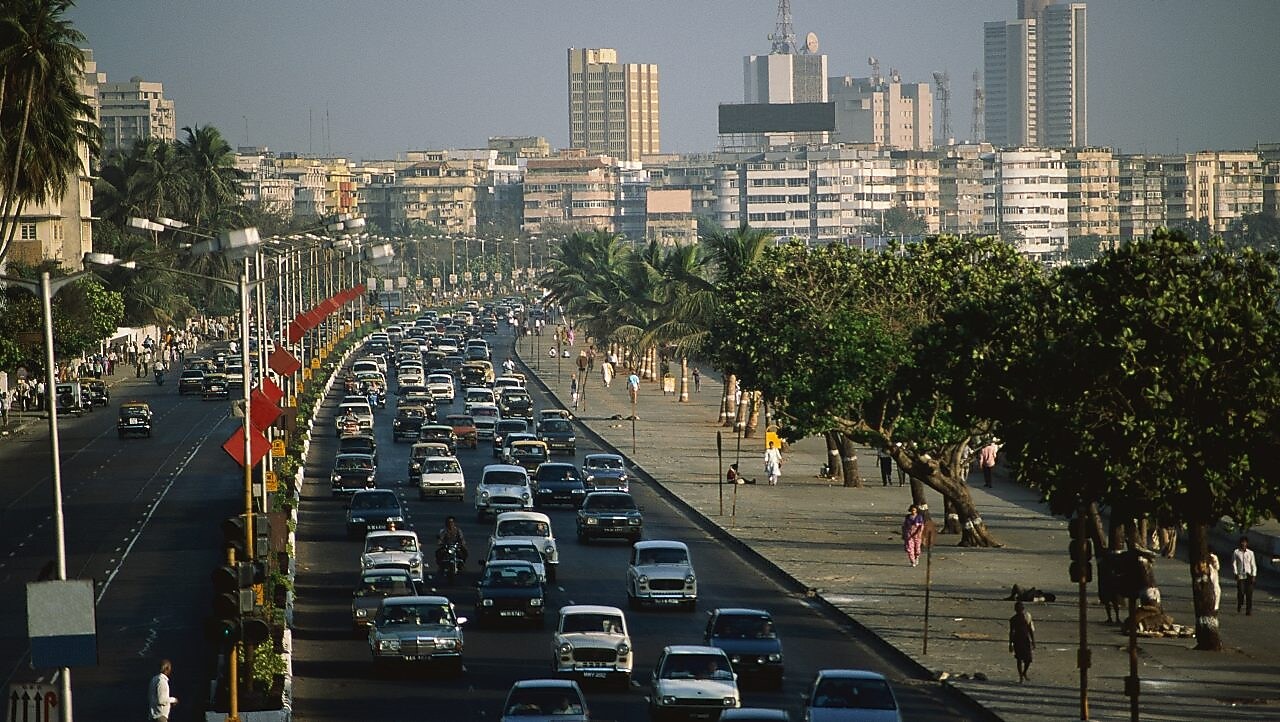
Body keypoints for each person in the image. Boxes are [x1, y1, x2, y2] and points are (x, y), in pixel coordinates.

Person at [1009, 601, 1036, 682]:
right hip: (1017, 640)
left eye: (1020, 608)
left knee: (1028, 659)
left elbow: (1030, 629)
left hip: (1026, 640)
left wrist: (1033, 641)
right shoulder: (1013, 619)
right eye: (1018, 608)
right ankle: (1021, 676)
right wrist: (1010, 644)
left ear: (1023, 609)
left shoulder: (1027, 617)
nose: (1019, 610)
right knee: (1019, 659)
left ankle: (1024, 673)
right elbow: (1011, 632)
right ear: (1015, 609)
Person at [1232, 536, 1257, 615]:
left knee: (1249, 594)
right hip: (1240, 575)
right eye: (1242, 542)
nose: (1243, 544)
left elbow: (1253, 564)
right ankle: (1240, 603)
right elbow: (1234, 563)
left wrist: (1254, 575)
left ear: (1247, 543)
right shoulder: (1236, 552)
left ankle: (1248, 610)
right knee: (1241, 592)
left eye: (1245, 542)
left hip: (1248, 575)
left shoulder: (1250, 553)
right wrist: (1235, 573)